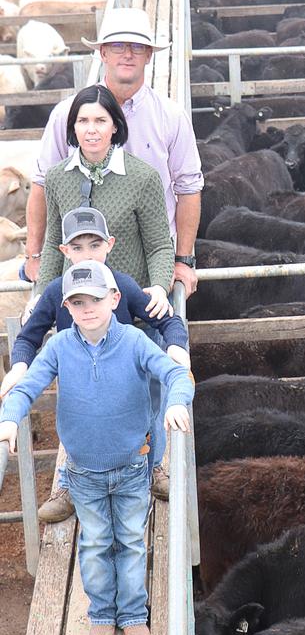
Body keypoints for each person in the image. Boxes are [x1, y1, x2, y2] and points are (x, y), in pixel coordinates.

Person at [0, 260, 194, 635]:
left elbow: (175, 375)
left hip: (132, 465)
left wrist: (176, 403)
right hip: (83, 471)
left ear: (115, 298)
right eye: (77, 302)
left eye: (95, 299)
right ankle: (103, 613)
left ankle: (135, 614)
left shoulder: (135, 342)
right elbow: (27, 387)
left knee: (131, 540)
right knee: (95, 543)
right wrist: (9, 419)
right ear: (66, 308)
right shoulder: (58, 347)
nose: (88, 308)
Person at [0, 206, 191, 522]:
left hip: (126, 382)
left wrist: (176, 345)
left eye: (94, 245)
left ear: (109, 245)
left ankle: (155, 466)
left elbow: (168, 320)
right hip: (81, 381)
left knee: (149, 410)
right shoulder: (56, 291)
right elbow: (28, 337)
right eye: (77, 247)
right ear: (64, 250)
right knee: (76, 423)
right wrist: (20, 364)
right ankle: (68, 486)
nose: (86, 254)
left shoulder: (121, 286)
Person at [25, 7, 203, 296]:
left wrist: (182, 260)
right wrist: (34, 256)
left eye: (137, 46)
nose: (127, 54)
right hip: (80, 263)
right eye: (118, 45)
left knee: (152, 330)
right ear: (103, 53)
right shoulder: (66, 115)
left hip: (152, 259)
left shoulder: (171, 116)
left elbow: (189, 188)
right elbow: (43, 184)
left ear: (149, 55)